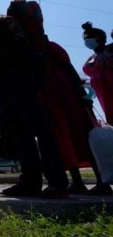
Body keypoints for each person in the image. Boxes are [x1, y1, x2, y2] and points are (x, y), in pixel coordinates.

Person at [0, 0, 68, 198]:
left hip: (21, 83)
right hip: (0, 86)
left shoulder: (7, 22)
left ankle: (57, 182)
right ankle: (29, 183)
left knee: (41, 131)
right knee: (20, 135)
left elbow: (23, 51)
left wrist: (2, 60)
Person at [38, 40, 110, 195]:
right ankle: (77, 181)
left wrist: (80, 91)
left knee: (86, 138)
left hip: (69, 99)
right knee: (64, 141)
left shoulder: (50, 47)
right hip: (53, 100)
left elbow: (68, 68)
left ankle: (102, 181)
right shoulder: (33, 47)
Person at [82, 21, 113, 125]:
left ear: (99, 38)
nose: (86, 41)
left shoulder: (110, 50)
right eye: (85, 39)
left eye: (89, 38)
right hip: (104, 98)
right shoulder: (92, 58)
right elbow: (86, 69)